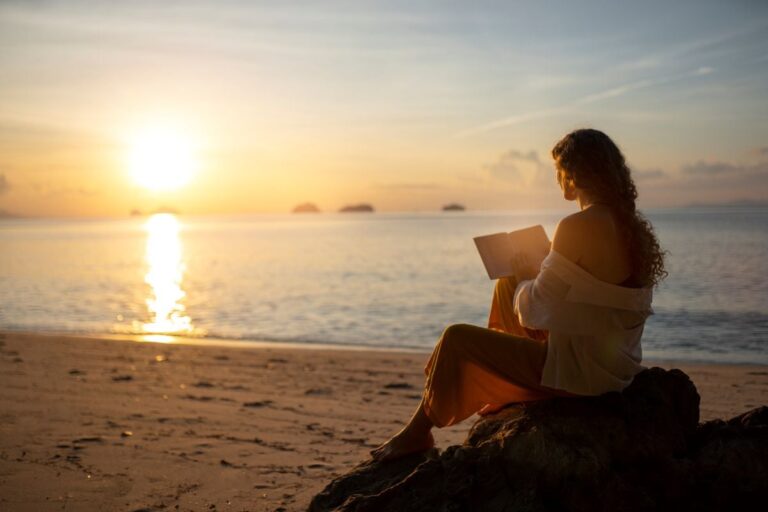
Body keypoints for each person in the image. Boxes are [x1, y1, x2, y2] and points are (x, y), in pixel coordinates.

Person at [370, 128, 667, 462]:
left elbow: (533, 311)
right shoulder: (632, 226)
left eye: (559, 171)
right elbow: (588, 299)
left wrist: (530, 274)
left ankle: (417, 433)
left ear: (573, 175)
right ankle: (502, 375)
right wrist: (527, 277)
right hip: (615, 366)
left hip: (582, 376)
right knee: (507, 284)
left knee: (456, 338)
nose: (557, 180)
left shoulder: (577, 226)